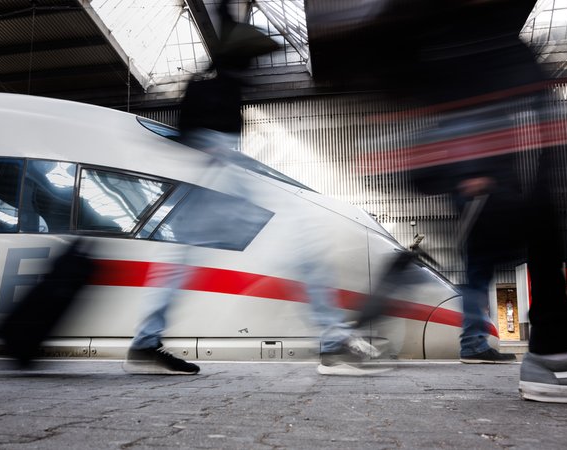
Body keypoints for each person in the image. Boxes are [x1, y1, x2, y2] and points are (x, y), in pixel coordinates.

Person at [123, 0, 388, 376]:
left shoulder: (214, 79)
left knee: (178, 263)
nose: (257, 64)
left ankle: (145, 344)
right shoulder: (222, 78)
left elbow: (225, 21)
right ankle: (333, 342)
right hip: (221, 169)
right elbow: (224, 22)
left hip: (205, 175)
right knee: (299, 238)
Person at [392, 0, 567, 402]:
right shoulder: (463, 47)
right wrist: (468, 176)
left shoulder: (464, 45)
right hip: (483, 189)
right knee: (487, 265)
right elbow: (449, 131)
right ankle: (540, 348)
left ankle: (555, 342)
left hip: (496, 181)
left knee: (499, 256)